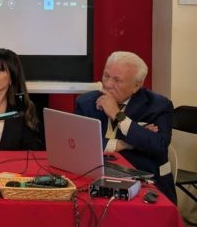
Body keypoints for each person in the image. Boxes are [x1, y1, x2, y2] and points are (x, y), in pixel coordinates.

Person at [75, 51, 176, 203]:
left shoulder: (158, 106)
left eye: (117, 80)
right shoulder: (86, 102)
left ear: (137, 85)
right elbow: (81, 145)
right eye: (106, 76)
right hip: (95, 177)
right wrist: (127, 143)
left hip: (144, 182)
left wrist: (118, 115)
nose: (108, 84)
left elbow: (158, 146)